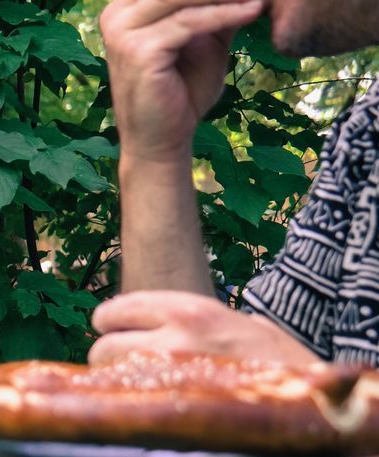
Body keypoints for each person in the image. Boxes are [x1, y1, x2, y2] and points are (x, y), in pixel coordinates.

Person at [92, 0, 379, 367]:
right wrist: (156, 154)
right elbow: (200, 383)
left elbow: (267, 377)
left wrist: (286, 378)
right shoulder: (367, 132)